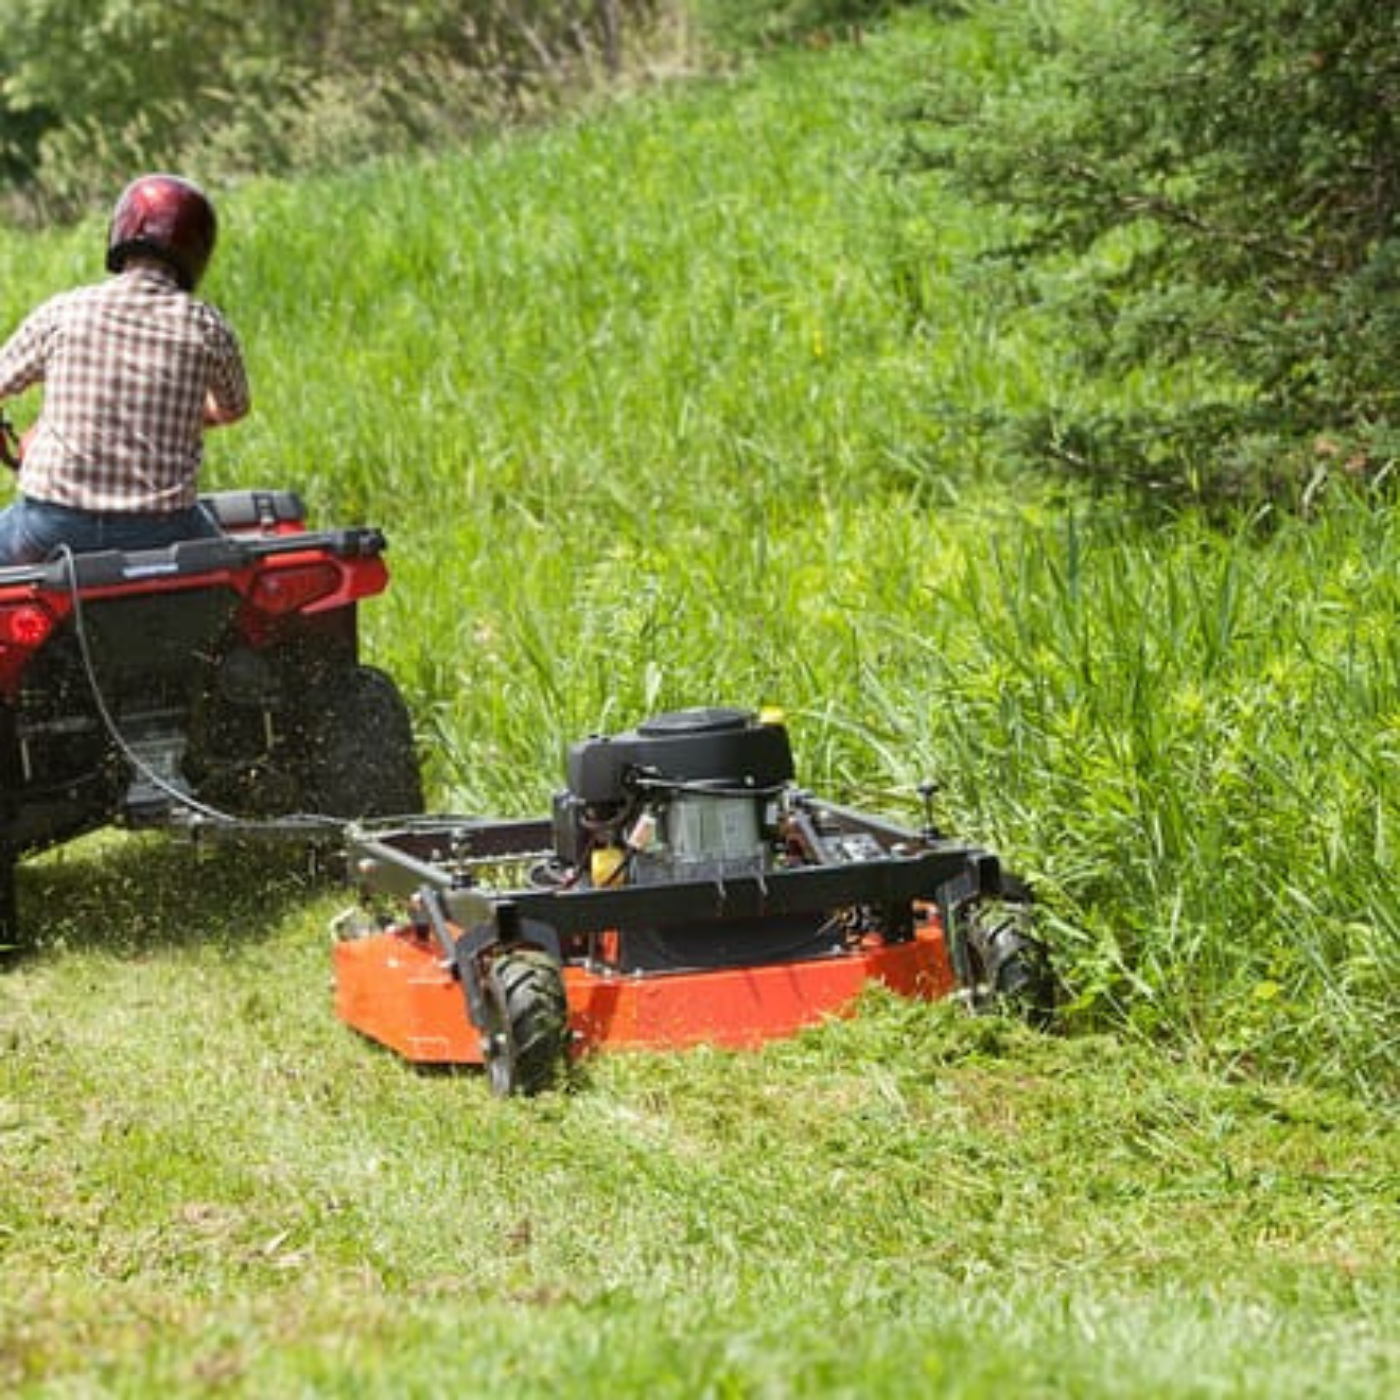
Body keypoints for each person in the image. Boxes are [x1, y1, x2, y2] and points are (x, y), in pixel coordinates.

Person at [0, 173, 250, 565]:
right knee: (229, 580)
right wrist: (173, 414)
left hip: (52, 526)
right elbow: (234, 407)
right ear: (198, 249)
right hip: (165, 528)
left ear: (122, 230)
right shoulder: (207, 326)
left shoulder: (65, 311)